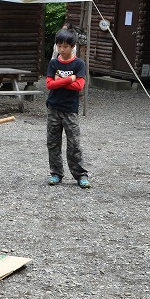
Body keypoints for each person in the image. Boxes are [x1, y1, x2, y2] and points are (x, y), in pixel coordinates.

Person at [46, 27, 90, 188]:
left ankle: (80, 175)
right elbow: (50, 84)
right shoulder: (53, 63)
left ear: (73, 46)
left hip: (70, 110)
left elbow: (79, 86)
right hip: (53, 108)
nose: (62, 49)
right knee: (53, 143)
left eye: (65, 46)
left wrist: (61, 80)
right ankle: (56, 173)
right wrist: (69, 79)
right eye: (59, 46)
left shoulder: (79, 64)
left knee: (74, 144)